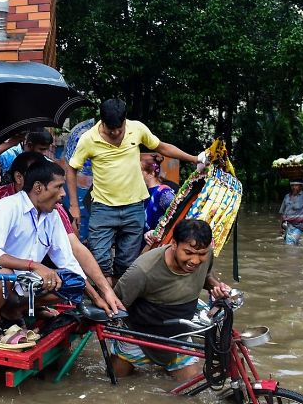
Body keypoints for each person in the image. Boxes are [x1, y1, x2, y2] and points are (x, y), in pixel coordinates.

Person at [0, 160, 120, 337]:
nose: (63, 194)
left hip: (22, 288)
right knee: (4, 273)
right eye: (59, 187)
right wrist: (35, 266)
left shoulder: (52, 215)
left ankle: (14, 311)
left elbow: (69, 262)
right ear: (38, 187)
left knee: (74, 283)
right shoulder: (7, 206)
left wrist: (97, 298)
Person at [66, 98, 205, 283]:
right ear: (102, 122)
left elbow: (162, 147)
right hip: (103, 208)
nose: (115, 133)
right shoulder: (88, 139)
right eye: (110, 129)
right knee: (100, 263)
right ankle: (108, 303)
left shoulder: (137, 129)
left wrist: (195, 159)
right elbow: (71, 169)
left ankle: (119, 301)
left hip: (133, 208)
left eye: (119, 128)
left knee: (127, 264)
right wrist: (74, 206)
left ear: (125, 121)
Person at [111, 219, 231, 382]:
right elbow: (116, 303)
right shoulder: (143, 270)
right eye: (188, 253)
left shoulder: (207, 256)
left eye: (201, 254)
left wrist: (216, 287)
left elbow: (206, 277)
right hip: (138, 336)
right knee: (114, 382)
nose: (195, 261)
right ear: (174, 244)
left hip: (179, 335)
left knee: (191, 387)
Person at [279, 167, 303, 245]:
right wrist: (280, 227)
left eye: (296, 185)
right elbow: (282, 213)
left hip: (298, 225)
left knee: (290, 244)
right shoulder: (287, 196)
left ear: (301, 186)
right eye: (292, 185)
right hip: (287, 225)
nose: (294, 187)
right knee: (290, 244)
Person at [141, 153, 175, 234]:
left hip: (157, 242)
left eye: (140, 171)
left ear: (152, 173)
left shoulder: (164, 192)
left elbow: (176, 215)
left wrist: (160, 232)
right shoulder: (144, 192)